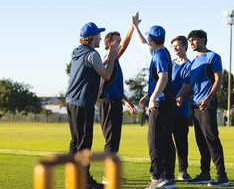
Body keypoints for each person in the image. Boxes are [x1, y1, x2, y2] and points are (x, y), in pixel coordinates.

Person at [66, 22, 120, 189]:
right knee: (84, 143)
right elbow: (107, 74)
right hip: (83, 102)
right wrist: (111, 55)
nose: (100, 37)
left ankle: (72, 179)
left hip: (71, 101)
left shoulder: (77, 51)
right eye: (98, 35)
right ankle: (83, 180)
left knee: (75, 142)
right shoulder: (92, 54)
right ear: (91, 38)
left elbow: (93, 66)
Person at [176, 30, 230, 187]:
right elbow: (189, 85)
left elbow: (218, 80)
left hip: (207, 104)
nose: (191, 43)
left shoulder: (213, 57)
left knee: (212, 139)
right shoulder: (193, 62)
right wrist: (181, 96)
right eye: (190, 40)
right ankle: (205, 174)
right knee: (201, 141)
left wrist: (208, 99)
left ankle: (222, 176)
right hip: (195, 105)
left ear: (203, 40)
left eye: (194, 40)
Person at [132, 12, 177, 189]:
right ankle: (169, 178)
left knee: (154, 141)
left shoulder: (158, 56)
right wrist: (136, 27)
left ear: (152, 38)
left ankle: (157, 177)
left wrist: (152, 98)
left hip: (160, 104)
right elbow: (142, 43)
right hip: (168, 101)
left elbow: (163, 78)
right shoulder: (162, 51)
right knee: (165, 140)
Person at [98, 25, 137, 185]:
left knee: (115, 141)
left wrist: (127, 102)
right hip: (108, 104)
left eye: (120, 41)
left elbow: (117, 89)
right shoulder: (107, 60)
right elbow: (126, 45)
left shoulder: (114, 61)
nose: (120, 44)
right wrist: (133, 27)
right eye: (117, 42)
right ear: (109, 44)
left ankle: (111, 173)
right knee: (111, 141)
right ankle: (108, 176)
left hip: (115, 103)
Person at [170, 36, 192, 181]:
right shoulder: (170, 64)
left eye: (177, 45)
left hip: (181, 111)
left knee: (181, 143)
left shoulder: (189, 65)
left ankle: (182, 171)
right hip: (167, 109)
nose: (175, 48)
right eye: (173, 46)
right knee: (165, 142)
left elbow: (187, 86)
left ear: (185, 47)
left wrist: (178, 97)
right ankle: (166, 171)